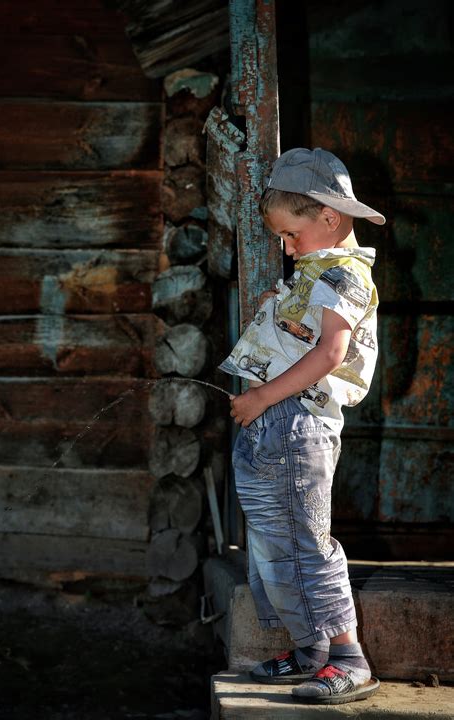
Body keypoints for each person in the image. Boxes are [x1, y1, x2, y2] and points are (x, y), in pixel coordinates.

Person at [219, 147, 385, 705]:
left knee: (306, 541)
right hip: (277, 423)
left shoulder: (343, 274)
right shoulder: (314, 273)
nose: (286, 247)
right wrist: (280, 306)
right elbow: (306, 331)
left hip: (300, 424)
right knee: (271, 543)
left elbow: (332, 352)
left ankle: (349, 658)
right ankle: (311, 648)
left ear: (329, 217)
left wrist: (264, 394)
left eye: (291, 235)